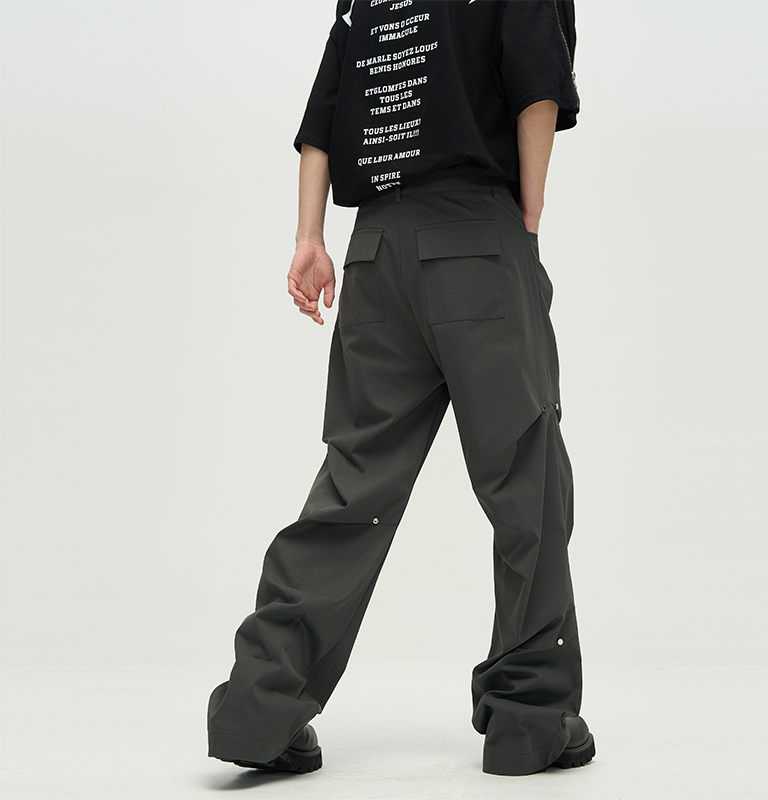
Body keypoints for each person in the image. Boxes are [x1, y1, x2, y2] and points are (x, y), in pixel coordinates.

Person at [207, 0, 595, 777]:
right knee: (527, 483)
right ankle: (528, 717)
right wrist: (525, 223)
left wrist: (309, 238)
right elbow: (536, 86)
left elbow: (323, 119)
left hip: (375, 250)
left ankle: (260, 705)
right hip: (477, 237)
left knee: (354, 485)